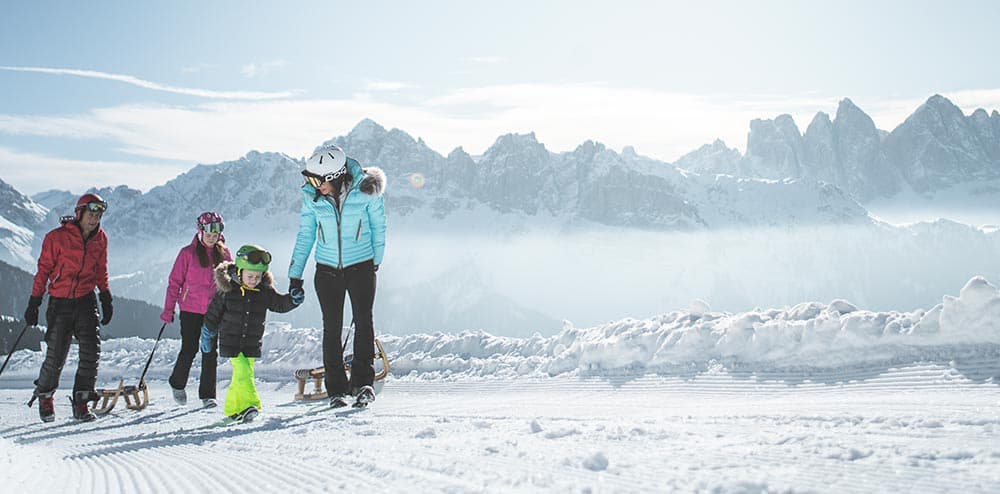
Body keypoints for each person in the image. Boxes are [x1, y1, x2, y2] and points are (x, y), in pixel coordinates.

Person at [289, 144, 386, 408]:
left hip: (361, 266)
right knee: (331, 328)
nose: (312, 184)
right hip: (327, 270)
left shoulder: (366, 192)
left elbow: (379, 226)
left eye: (315, 179)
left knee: (364, 323)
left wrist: (376, 261)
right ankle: (337, 390)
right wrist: (294, 275)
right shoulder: (312, 198)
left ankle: (363, 384)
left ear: (333, 177)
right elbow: (305, 235)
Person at [24, 193, 113, 422]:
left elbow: (100, 269)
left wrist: (105, 297)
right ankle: (45, 396)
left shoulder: (100, 239)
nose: (94, 219)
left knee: (91, 352)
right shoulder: (56, 238)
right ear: (79, 213)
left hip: (85, 300)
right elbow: (43, 270)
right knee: (56, 356)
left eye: (98, 215)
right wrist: (34, 302)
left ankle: (81, 402)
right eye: (91, 214)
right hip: (60, 302)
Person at [200, 244, 302, 421]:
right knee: (243, 373)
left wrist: (292, 300)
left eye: (258, 276)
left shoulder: (263, 291)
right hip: (231, 341)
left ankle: (233, 410)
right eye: (250, 276)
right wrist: (208, 333)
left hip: (251, 342)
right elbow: (213, 314)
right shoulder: (227, 290)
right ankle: (250, 405)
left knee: (241, 376)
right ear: (239, 272)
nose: (254, 280)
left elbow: (279, 304)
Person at [161, 212, 232, 408]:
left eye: (216, 232)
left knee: (209, 351)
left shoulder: (224, 254)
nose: (212, 236)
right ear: (200, 231)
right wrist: (168, 310)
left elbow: (228, 284)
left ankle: (208, 395)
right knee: (190, 348)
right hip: (190, 309)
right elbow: (174, 282)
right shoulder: (187, 253)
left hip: (213, 311)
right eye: (208, 231)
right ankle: (177, 383)